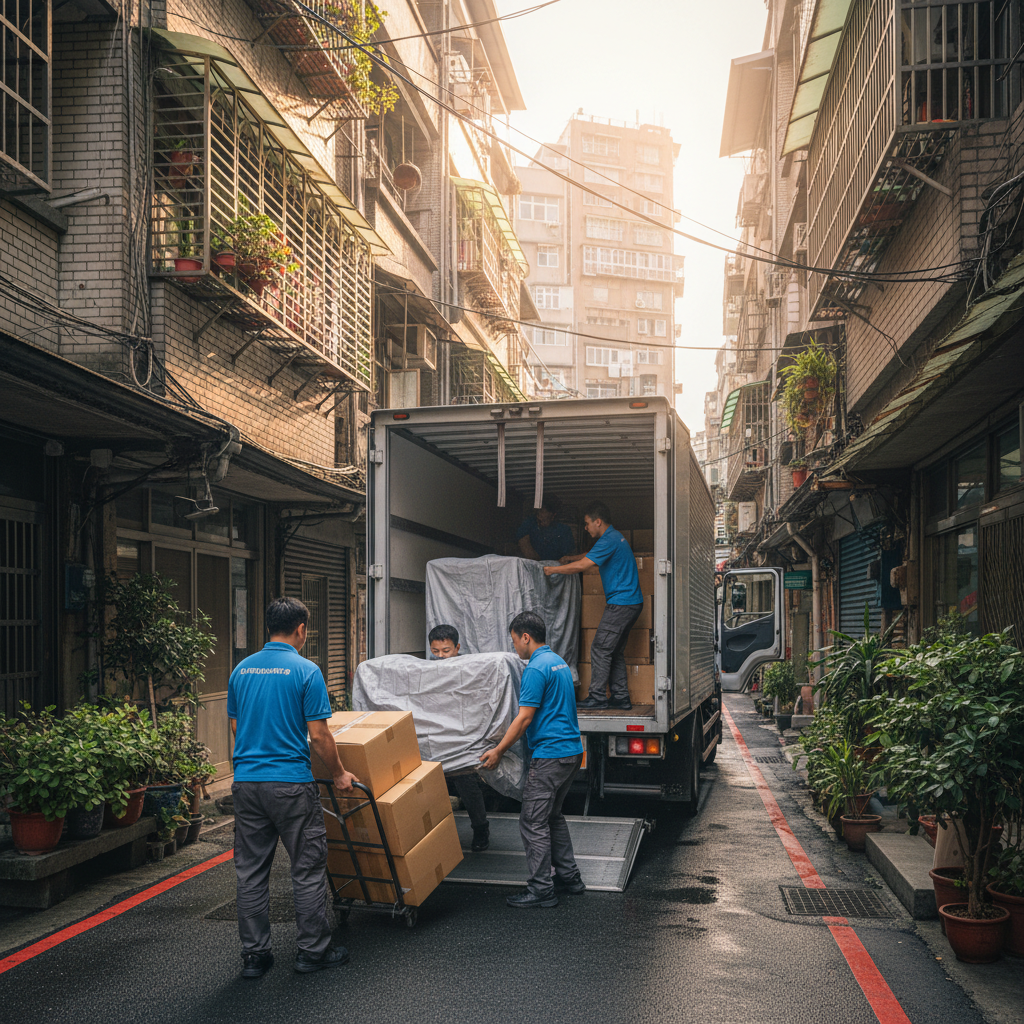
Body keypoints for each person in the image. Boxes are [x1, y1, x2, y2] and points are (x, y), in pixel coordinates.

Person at [227, 596, 357, 979]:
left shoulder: (241, 670)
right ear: (301, 629)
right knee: (307, 867)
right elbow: (319, 736)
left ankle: (255, 956)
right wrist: (339, 773)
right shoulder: (306, 671)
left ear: (268, 627)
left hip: (247, 783)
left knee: (250, 872)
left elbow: (237, 728)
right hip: (290, 785)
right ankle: (311, 952)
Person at [480, 611, 586, 908]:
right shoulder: (559, 662)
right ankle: (570, 878)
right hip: (571, 752)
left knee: (532, 820)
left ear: (526, 637)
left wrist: (498, 750)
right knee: (553, 816)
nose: (515, 647)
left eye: (515, 641)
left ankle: (541, 888)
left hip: (551, 756)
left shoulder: (536, 668)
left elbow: (524, 718)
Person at [543, 501, 643, 711]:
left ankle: (597, 697)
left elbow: (583, 565)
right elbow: (588, 556)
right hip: (631, 603)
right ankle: (621, 697)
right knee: (613, 651)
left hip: (621, 604)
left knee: (599, 648)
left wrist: (552, 570)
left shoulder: (610, 540)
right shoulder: (612, 538)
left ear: (598, 522)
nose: (586, 528)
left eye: (587, 523)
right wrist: (569, 557)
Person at [427, 623, 491, 852]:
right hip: (436, 739)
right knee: (431, 789)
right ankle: (432, 836)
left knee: (466, 784)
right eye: (435, 652)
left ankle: (480, 830)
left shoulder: (470, 669)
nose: (441, 656)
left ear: (457, 647)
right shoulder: (428, 671)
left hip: (462, 739)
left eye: (446, 651)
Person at [516, 494, 574, 562]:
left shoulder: (564, 530)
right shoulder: (529, 523)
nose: (539, 515)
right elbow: (525, 546)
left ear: (553, 515)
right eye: (538, 511)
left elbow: (568, 555)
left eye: (543, 511)